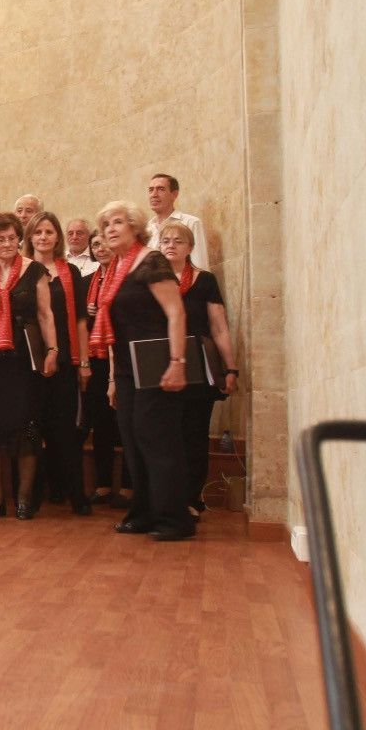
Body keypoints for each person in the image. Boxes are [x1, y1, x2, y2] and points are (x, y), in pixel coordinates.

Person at [94, 201, 192, 540]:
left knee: (158, 441)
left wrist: (177, 363)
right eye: (105, 223)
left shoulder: (151, 260)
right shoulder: (114, 270)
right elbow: (112, 330)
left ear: (135, 227)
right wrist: (111, 379)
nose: (110, 228)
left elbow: (176, 313)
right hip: (124, 368)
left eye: (118, 221)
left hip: (156, 361)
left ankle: (175, 519)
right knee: (134, 442)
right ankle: (144, 514)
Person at [0, 213, 57, 519]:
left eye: (12, 238)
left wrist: (53, 350)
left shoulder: (35, 271)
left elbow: (45, 315)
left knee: (27, 430)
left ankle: (24, 500)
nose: (7, 244)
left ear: (20, 239)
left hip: (25, 362)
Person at [156, 219, 240, 516]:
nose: (171, 246)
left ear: (190, 248)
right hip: (161, 364)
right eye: (165, 240)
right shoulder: (153, 281)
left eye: (178, 241)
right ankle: (168, 497)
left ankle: (191, 497)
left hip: (198, 364)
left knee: (194, 434)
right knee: (167, 434)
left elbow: (218, 327)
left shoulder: (204, 280)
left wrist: (230, 369)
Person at [24, 213, 92, 515]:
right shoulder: (21, 271)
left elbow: (79, 320)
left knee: (64, 431)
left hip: (64, 360)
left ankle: (75, 494)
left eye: (49, 231)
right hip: (27, 364)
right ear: (29, 237)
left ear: (57, 237)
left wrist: (84, 361)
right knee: (31, 430)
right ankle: (32, 495)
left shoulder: (71, 272)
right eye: (37, 232)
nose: (43, 237)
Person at [82, 231, 133, 506]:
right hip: (96, 357)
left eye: (104, 243)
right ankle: (102, 484)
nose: (101, 248)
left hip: (121, 356)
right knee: (100, 421)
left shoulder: (126, 278)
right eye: (96, 245)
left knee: (125, 423)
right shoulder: (87, 281)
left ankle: (128, 486)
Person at [145, 174, 209, 270]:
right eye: (151, 190)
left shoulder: (190, 223)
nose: (154, 194)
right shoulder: (145, 230)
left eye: (161, 189)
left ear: (174, 194)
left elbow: (199, 266)